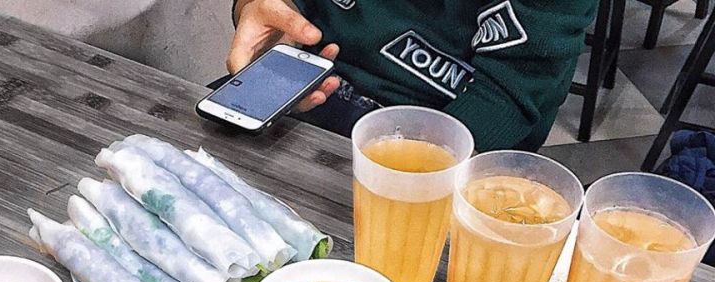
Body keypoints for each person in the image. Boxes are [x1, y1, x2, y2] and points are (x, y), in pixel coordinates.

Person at [228, 0, 597, 151]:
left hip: (441, 137)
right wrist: (263, 12)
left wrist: (411, 170)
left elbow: (511, 96)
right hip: (305, 88)